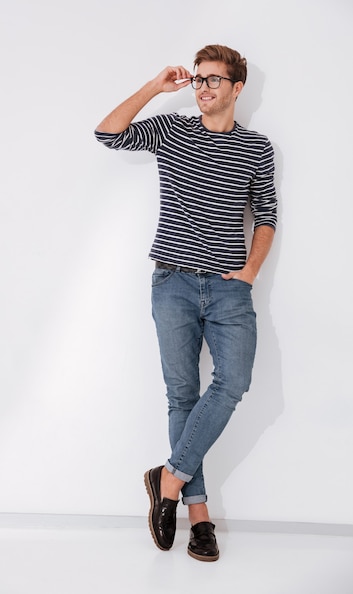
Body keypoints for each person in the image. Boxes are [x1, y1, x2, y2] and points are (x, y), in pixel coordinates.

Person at [94, 44, 277, 562]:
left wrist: (248, 272)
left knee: (233, 382)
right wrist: (156, 86)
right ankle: (199, 518)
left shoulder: (257, 147)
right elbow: (107, 133)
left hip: (228, 287)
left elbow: (266, 216)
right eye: (198, 79)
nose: (203, 87)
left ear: (237, 88)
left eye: (214, 80)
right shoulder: (172, 131)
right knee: (182, 395)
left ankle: (167, 480)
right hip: (171, 282)